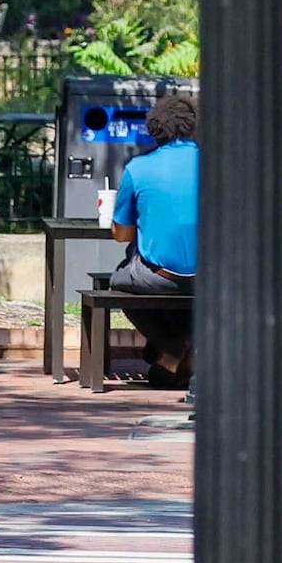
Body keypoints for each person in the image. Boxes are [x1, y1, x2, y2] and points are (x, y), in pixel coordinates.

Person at [103, 88, 201, 390]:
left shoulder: (139, 168)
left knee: (120, 280)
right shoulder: (220, 165)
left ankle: (171, 347)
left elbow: (122, 234)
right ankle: (189, 347)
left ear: (154, 128)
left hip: (159, 278)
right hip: (214, 276)